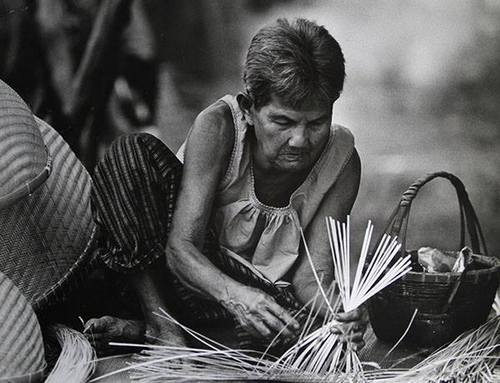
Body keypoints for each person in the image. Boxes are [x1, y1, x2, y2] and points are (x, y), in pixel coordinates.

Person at [83, 18, 367, 354]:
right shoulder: (220, 127)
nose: (300, 140)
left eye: (317, 122)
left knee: (302, 330)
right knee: (131, 153)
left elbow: (311, 277)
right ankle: (161, 323)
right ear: (249, 109)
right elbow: (181, 250)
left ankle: (153, 331)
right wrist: (238, 298)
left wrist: (340, 310)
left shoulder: (342, 162)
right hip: (177, 275)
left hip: (258, 295)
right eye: (283, 121)